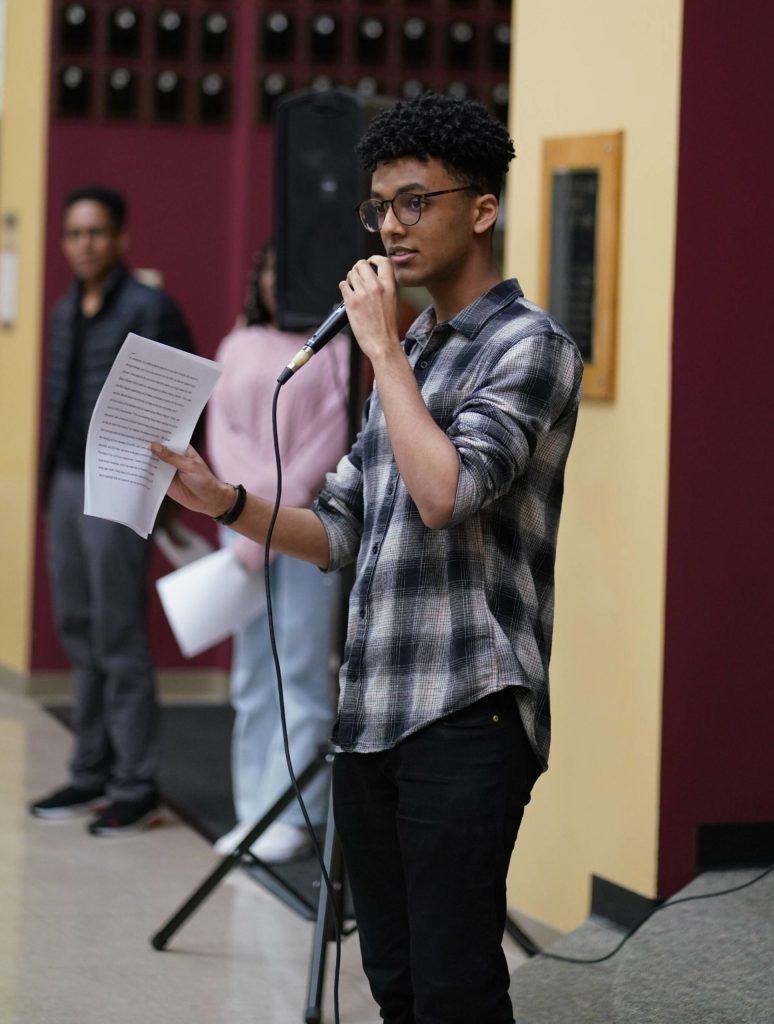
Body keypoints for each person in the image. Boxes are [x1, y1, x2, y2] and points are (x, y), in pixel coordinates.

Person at [152, 93, 583, 1023]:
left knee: (456, 988)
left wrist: (381, 352)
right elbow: (340, 525)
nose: (391, 226)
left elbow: (445, 494)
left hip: (468, 710)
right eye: (379, 206)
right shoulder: (412, 351)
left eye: (414, 202)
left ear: (482, 208)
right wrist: (221, 499)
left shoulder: (530, 347)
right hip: (372, 712)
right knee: (394, 984)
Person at [31, 185, 195, 837]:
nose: (84, 245)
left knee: (118, 633)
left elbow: (186, 399)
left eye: (96, 232)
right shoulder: (64, 310)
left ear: (121, 237)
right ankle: (91, 768)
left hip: (121, 487)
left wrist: (162, 485)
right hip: (67, 483)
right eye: (74, 234)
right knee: (78, 627)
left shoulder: (149, 308)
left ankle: (136, 784)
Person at [207, 241, 349, 862]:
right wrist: (245, 513)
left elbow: (328, 442)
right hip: (241, 528)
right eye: (269, 269)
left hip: (303, 528)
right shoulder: (236, 345)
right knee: (252, 675)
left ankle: (295, 815)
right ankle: (253, 810)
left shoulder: (335, 350)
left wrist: (263, 510)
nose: (276, 280)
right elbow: (224, 436)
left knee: (301, 668)